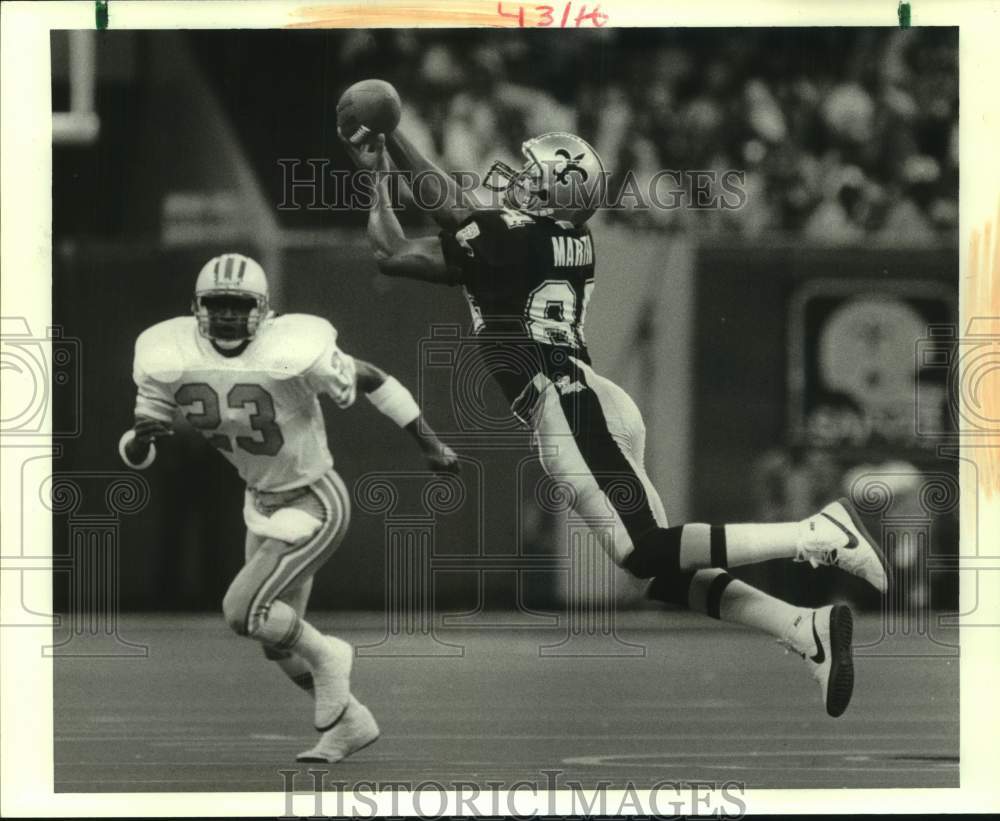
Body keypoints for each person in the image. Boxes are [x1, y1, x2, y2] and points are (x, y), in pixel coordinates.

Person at [342, 128, 887, 718]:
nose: (518, 180)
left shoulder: (518, 238)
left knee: (648, 551)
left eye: (533, 175)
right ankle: (801, 627)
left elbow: (447, 206)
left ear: (559, 192)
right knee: (652, 570)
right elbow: (390, 253)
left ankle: (816, 536)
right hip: (583, 398)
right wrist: (376, 173)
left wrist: (394, 136)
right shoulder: (521, 243)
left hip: (567, 400)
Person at [118, 253, 459, 761]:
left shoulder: (292, 350)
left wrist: (428, 440)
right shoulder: (169, 353)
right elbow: (140, 446)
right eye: (218, 304)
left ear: (263, 310)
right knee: (275, 642)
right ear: (198, 308)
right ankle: (350, 722)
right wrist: (141, 441)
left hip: (315, 500)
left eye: (240, 305)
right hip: (261, 502)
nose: (229, 315)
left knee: (242, 611)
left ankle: (329, 656)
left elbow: (371, 377)